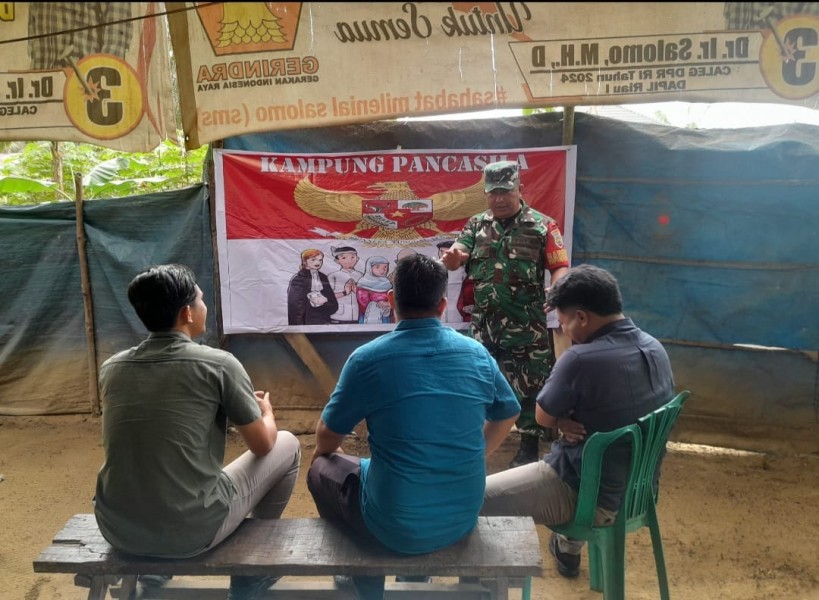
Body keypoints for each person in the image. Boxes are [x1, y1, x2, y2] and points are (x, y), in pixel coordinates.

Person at [307, 253, 521, 600]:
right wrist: (475, 455)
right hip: (461, 516)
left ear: (392, 300)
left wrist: (329, 454)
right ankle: (414, 573)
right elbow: (508, 414)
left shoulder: (367, 359)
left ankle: (361, 581)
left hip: (391, 525)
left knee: (320, 468)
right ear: (443, 305)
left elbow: (327, 437)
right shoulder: (477, 354)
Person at [93, 264, 301, 600]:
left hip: (118, 528)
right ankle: (252, 571)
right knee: (287, 444)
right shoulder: (219, 364)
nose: (204, 306)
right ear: (187, 313)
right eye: (201, 300)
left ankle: (154, 571)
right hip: (192, 530)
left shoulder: (112, 368)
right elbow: (262, 445)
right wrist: (267, 414)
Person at [480, 264, 676, 579]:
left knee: (473, 498)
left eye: (563, 322)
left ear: (582, 317)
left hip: (589, 498)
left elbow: (542, 416)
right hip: (639, 491)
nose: (564, 331)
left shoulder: (580, 358)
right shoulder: (655, 348)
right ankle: (568, 547)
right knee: (587, 453)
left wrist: (560, 419)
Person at [440, 160, 569, 468]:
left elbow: (559, 265)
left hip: (526, 325)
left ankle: (528, 446)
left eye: (505, 192)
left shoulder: (543, 225)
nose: (498, 199)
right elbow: (457, 255)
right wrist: (453, 259)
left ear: (519, 189)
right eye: (493, 193)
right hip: (484, 325)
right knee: (475, 383)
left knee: (530, 384)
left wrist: (558, 287)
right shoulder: (475, 224)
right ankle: (472, 442)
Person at [287, 248, 338, 325]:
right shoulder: (298, 279)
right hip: (306, 321)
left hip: (324, 321)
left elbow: (333, 304)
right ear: (305, 261)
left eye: (320, 260)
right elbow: (294, 306)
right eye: (313, 260)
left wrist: (326, 300)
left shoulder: (323, 277)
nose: (318, 262)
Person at [328, 245, 363, 324]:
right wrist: (344, 293)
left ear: (357, 258)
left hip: (357, 315)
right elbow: (328, 297)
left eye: (352, 257)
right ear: (337, 261)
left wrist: (357, 291)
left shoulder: (361, 275)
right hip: (338, 315)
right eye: (344, 258)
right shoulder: (333, 276)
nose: (349, 260)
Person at [356, 255, 392, 324]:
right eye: (377, 267)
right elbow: (362, 303)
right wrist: (377, 306)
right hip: (367, 317)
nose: (383, 270)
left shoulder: (387, 283)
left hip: (385, 316)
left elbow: (392, 300)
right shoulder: (363, 283)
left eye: (385, 267)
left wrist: (387, 304)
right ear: (370, 268)